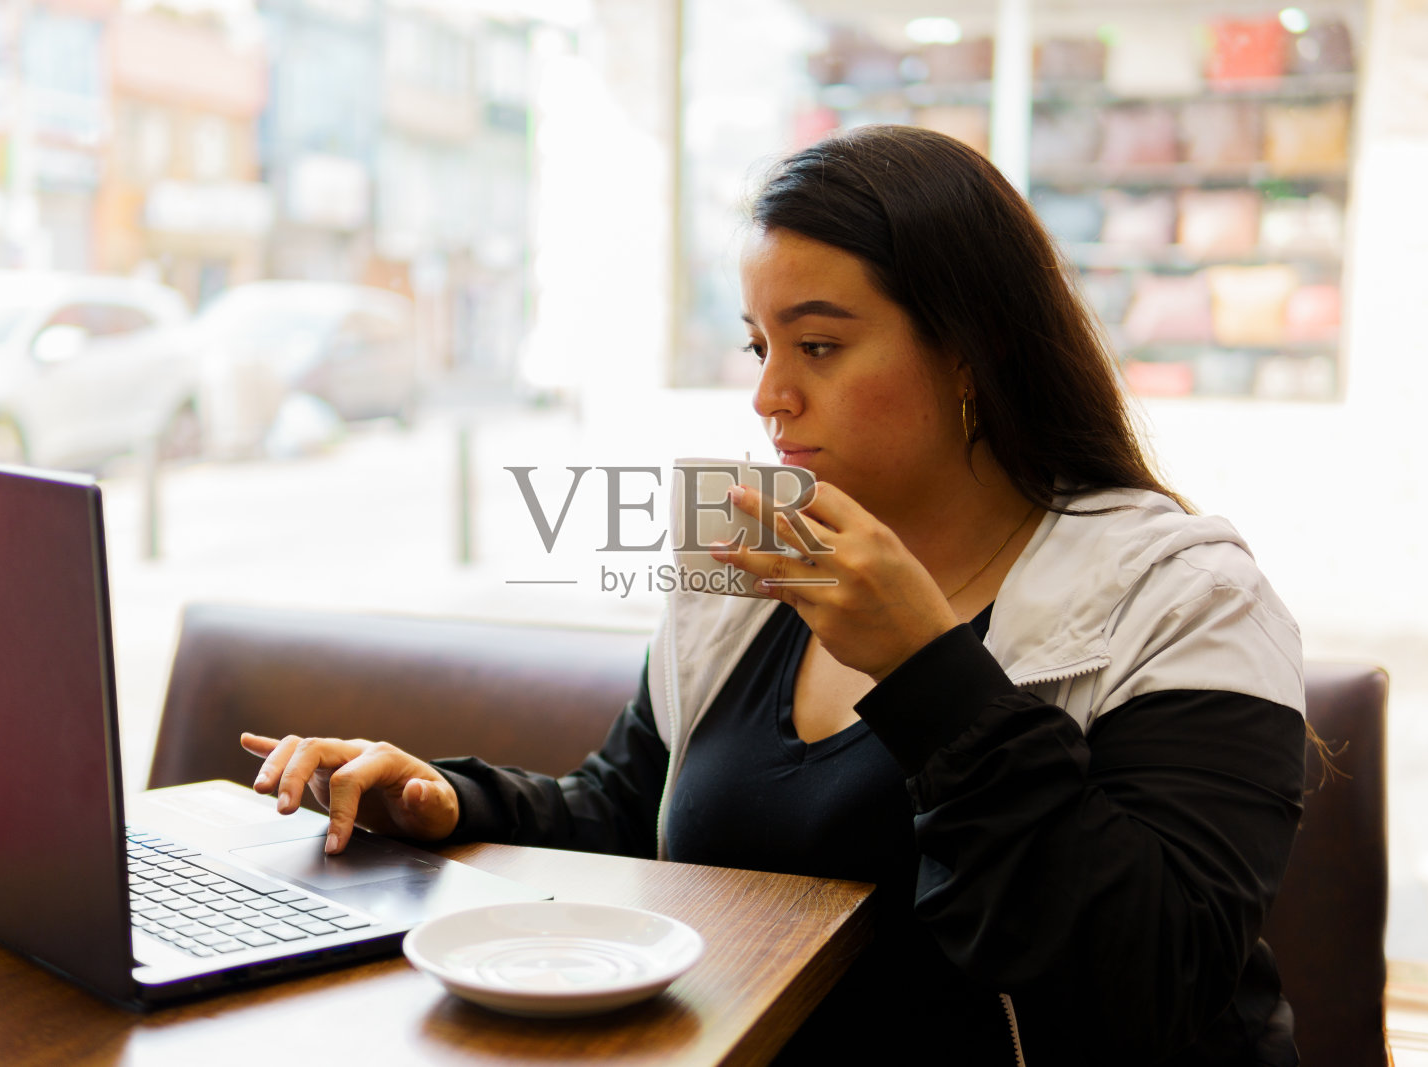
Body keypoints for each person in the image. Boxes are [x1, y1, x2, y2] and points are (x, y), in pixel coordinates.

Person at [243, 125, 1306, 1066]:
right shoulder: (753, 558)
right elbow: (635, 811)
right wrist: (452, 801)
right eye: (759, 345)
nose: (768, 395)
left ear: (971, 349)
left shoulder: (1184, 599)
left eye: (820, 346)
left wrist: (933, 673)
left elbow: (1152, 988)